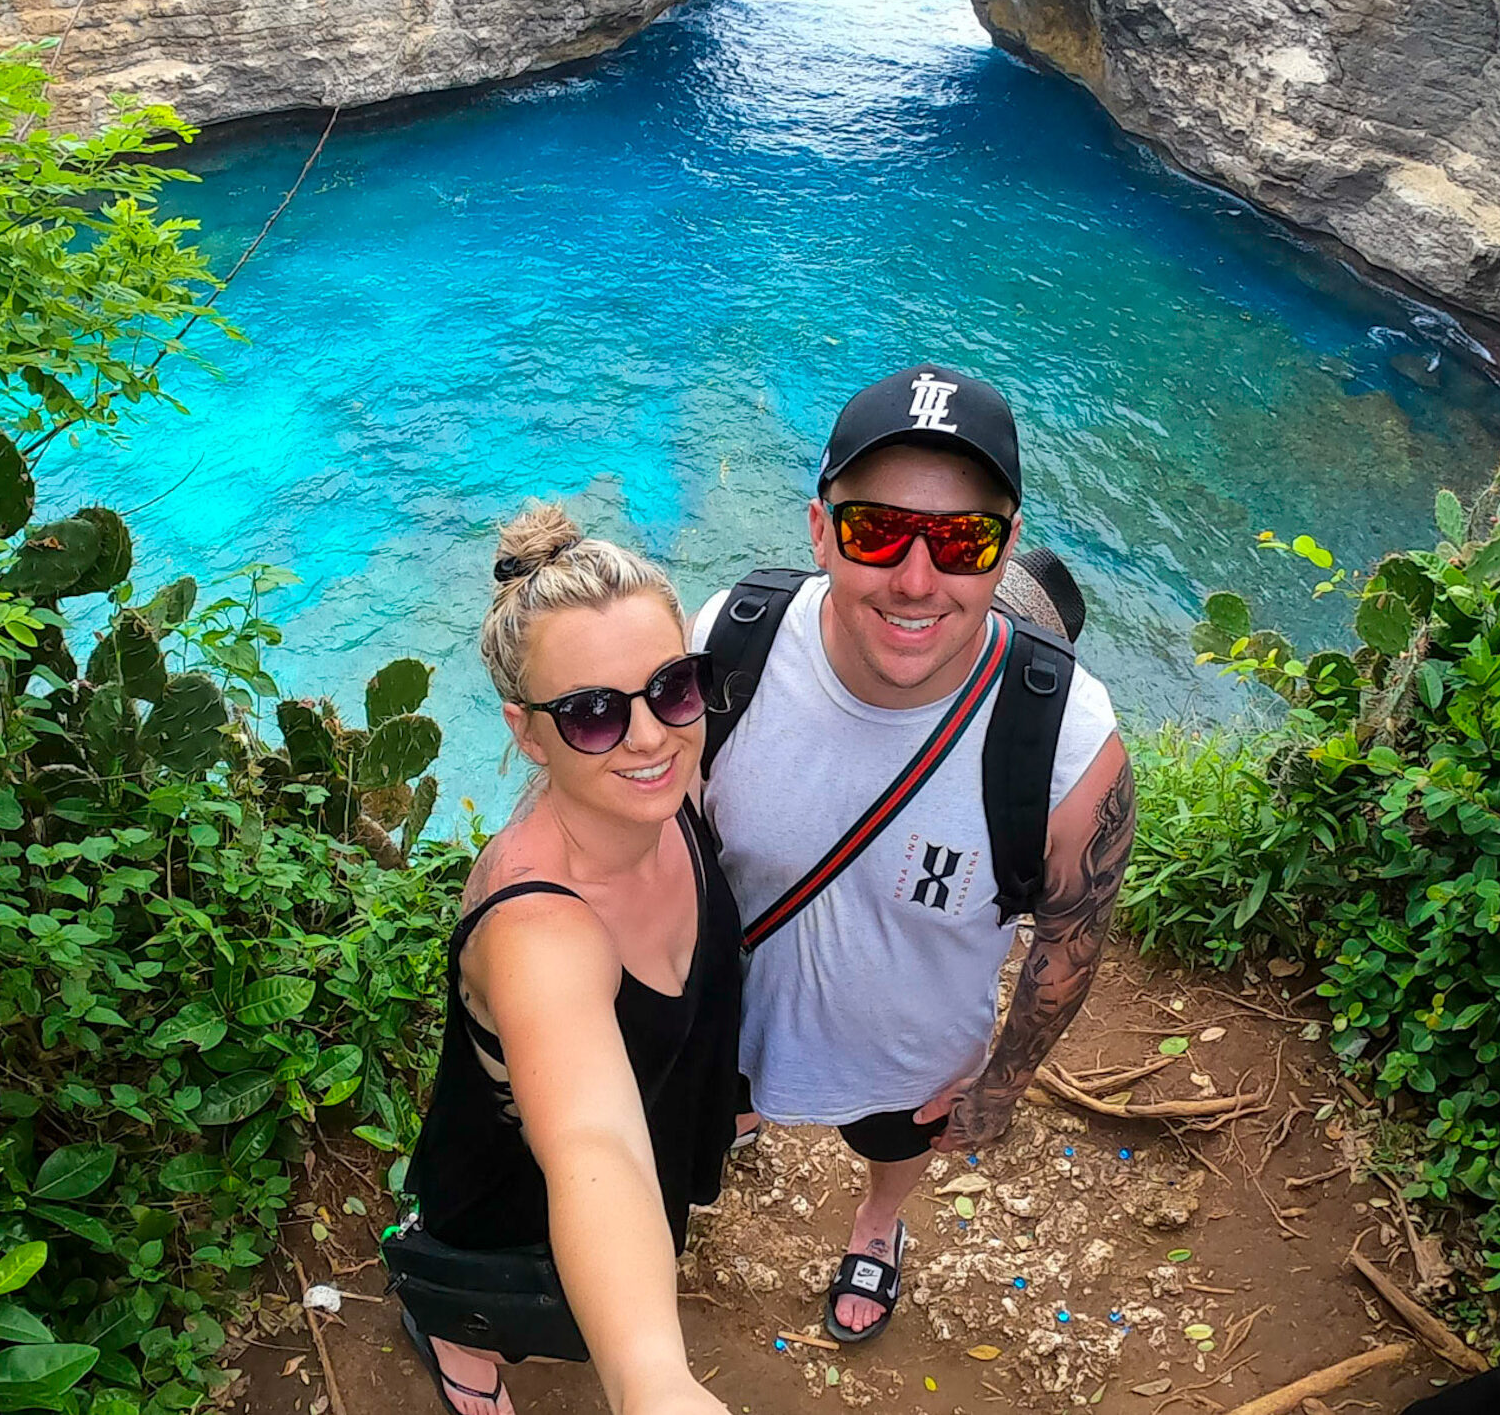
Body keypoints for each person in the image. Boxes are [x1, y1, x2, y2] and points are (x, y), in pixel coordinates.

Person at [691, 365, 1135, 1344]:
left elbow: (1070, 939)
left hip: (909, 1059)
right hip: (730, 1023)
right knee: (711, 1119)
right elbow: (656, 842)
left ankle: (878, 1220)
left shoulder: (1067, 742)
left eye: (962, 539)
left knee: (892, 1146)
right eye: (876, 530)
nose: (916, 577)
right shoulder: (730, 644)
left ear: (1004, 547)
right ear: (820, 529)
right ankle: (734, 1129)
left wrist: (1000, 1085)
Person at [391, 506, 741, 1415]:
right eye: (591, 713)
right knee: (491, 1296)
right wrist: (653, 1382)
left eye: (672, 688)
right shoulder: (537, 928)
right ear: (526, 732)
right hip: (514, 1168)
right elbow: (593, 1137)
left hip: (657, 1117)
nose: (649, 737)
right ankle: (455, 1344)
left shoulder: (671, 785)